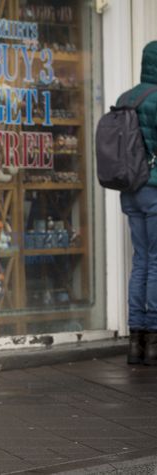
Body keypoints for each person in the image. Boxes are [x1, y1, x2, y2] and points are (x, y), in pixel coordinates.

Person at [120, 41, 157, 366]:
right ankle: (155, 338)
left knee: (141, 261)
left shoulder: (126, 98)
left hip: (129, 188)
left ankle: (136, 341)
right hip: (154, 188)